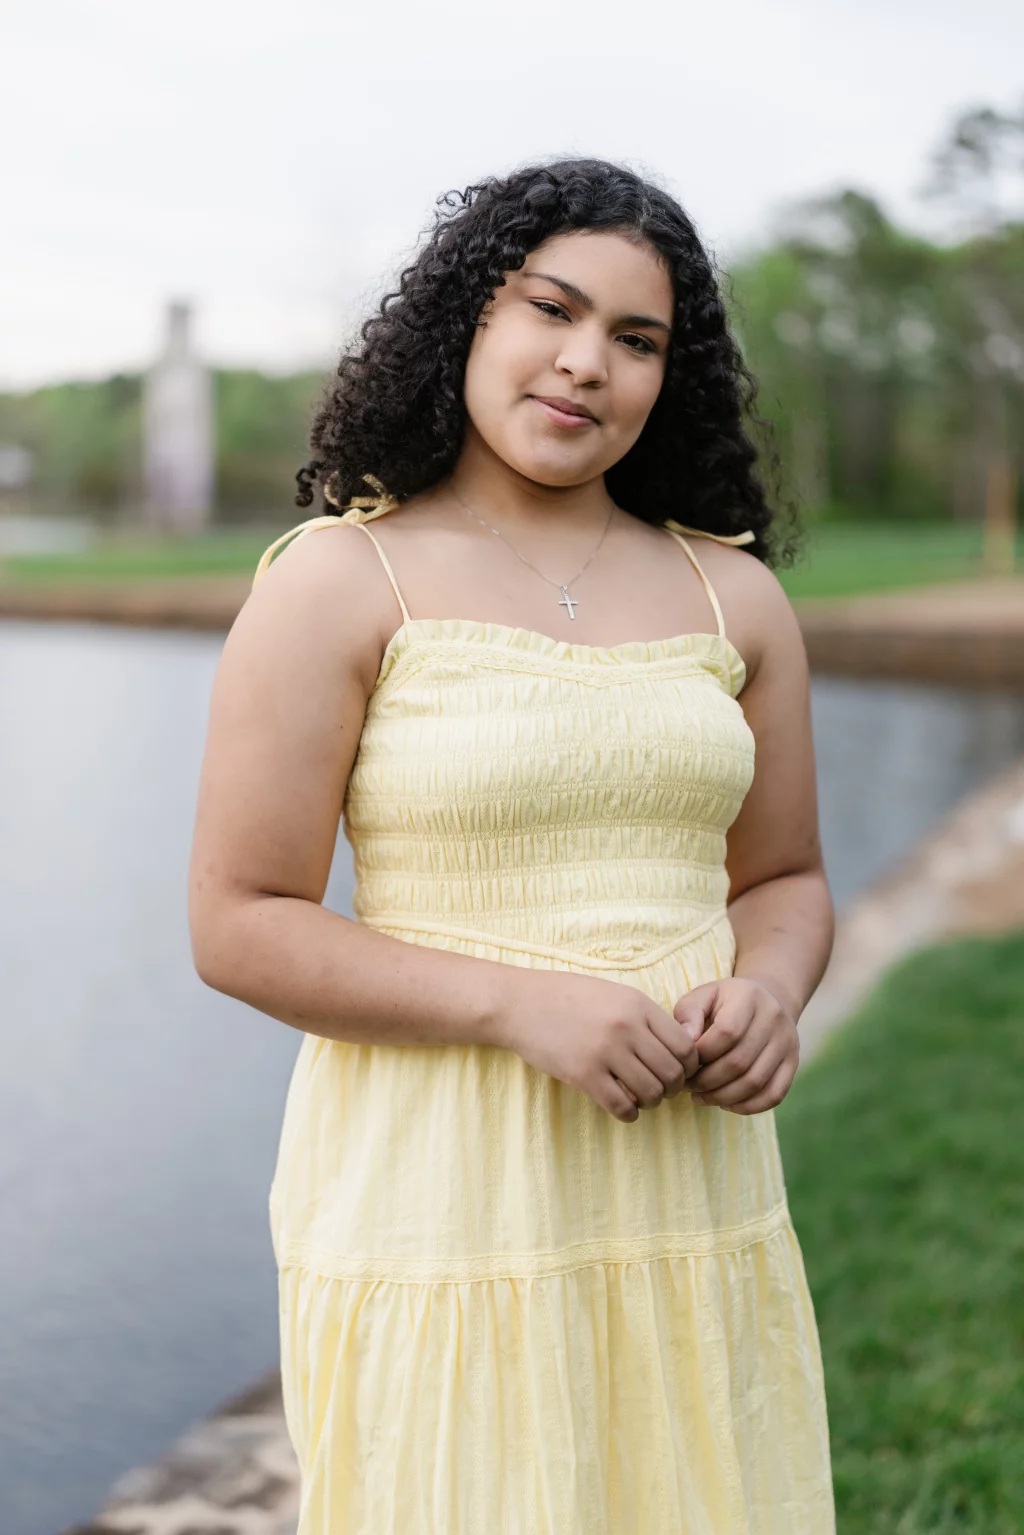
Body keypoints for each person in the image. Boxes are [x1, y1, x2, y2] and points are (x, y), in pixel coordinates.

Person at [188, 157, 836, 1533]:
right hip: (441, 1196)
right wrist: (517, 1003)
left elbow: (783, 878)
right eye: (553, 308)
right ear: (467, 318)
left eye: (637, 338)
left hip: (687, 1182)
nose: (587, 361)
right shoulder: (339, 579)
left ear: (669, 376)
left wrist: (773, 992)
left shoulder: (734, 594)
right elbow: (239, 921)